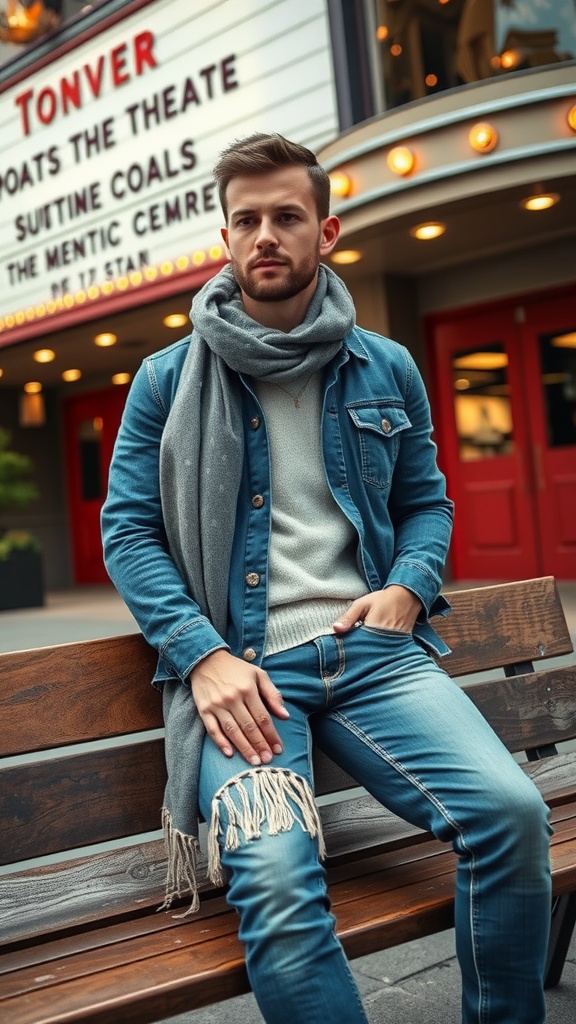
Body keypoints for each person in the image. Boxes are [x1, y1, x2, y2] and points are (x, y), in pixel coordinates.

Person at [101, 133, 552, 1024]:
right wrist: (201, 656)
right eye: (246, 220)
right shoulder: (165, 382)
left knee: (511, 815)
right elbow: (129, 532)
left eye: (286, 217)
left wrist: (411, 585)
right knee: (271, 874)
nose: (265, 235)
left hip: (375, 652)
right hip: (244, 677)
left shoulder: (385, 364)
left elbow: (429, 501)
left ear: (328, 232)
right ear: (224, 240)